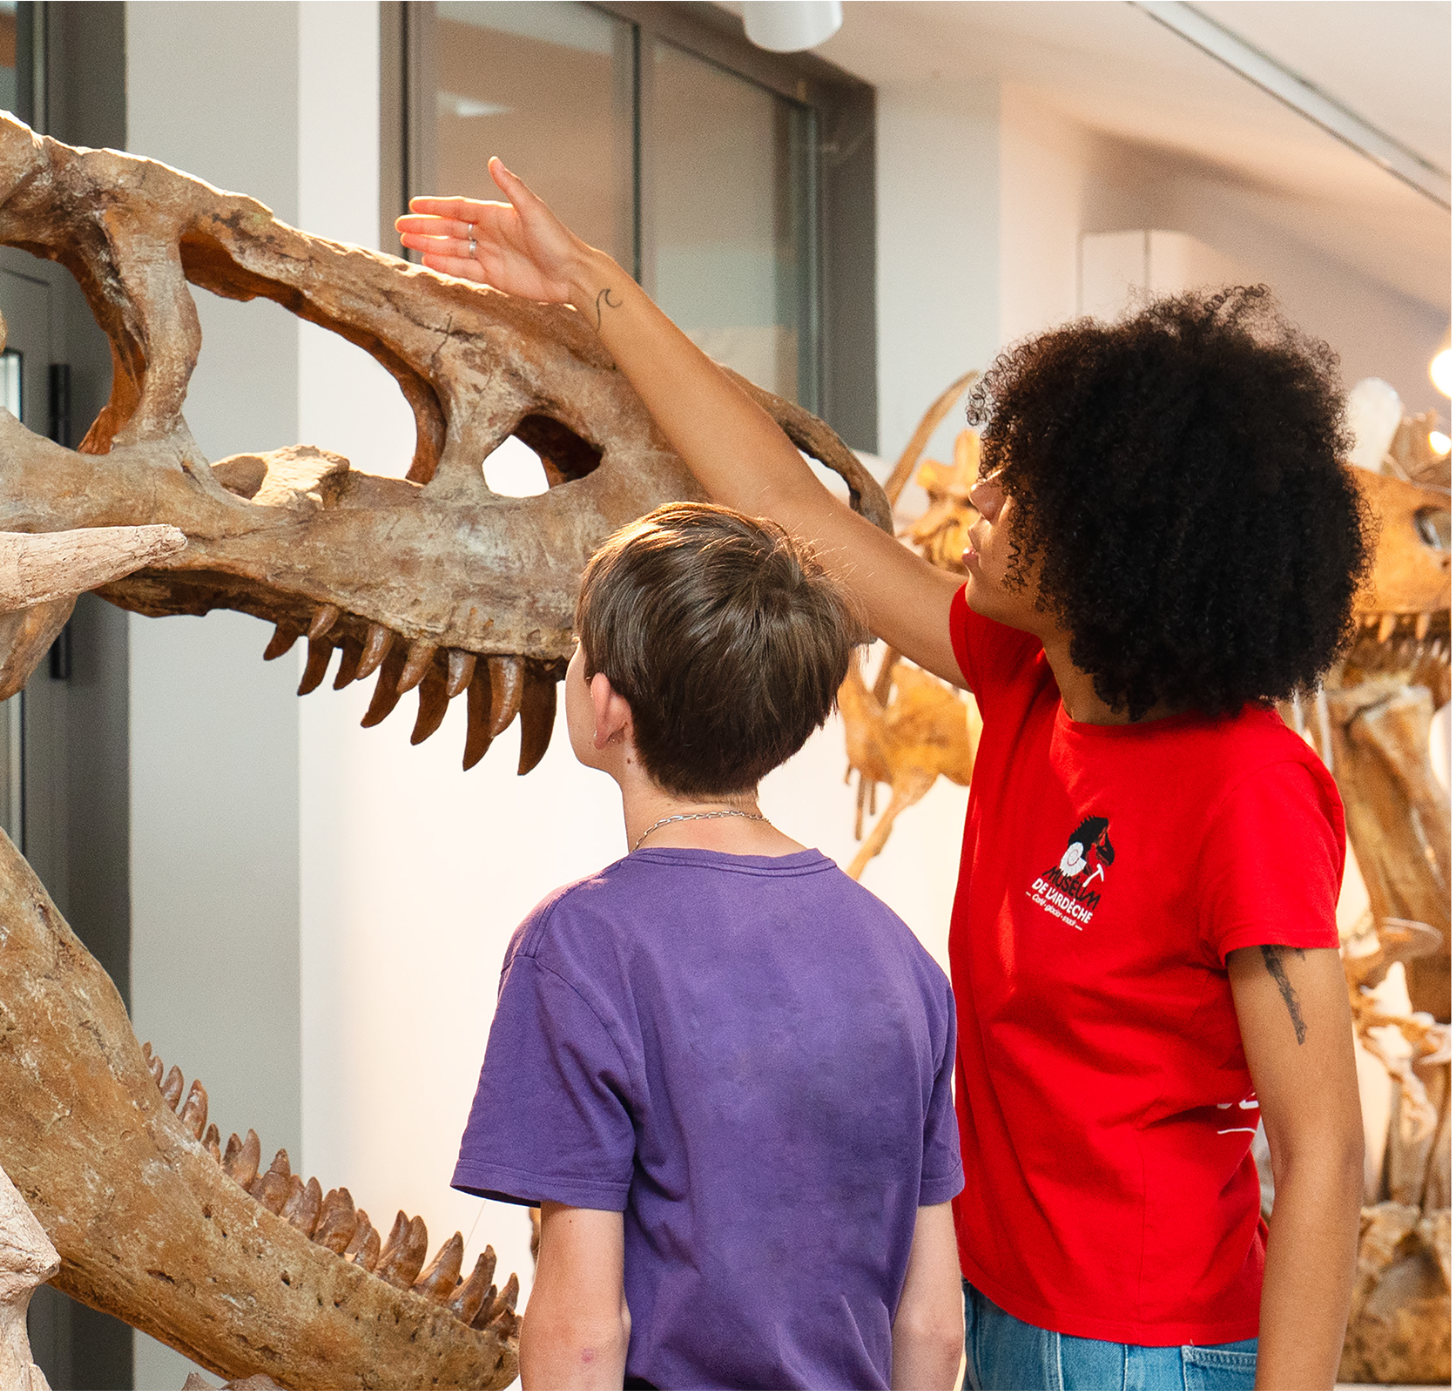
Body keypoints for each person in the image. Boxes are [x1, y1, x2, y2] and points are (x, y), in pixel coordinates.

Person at [405, 161, 1365, 1391]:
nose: (980, 494)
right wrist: (590, 287)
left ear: (1121, 536)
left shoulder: (1246, 782)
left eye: (1023, 488)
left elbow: (1323, 1147)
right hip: (1001, 1312)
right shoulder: (1027, 683)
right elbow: (781, 510)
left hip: (1142, 1349)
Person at [451, 501, 968, 1391]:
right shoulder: (900, 958)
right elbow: (929, 1322)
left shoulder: (577, 949)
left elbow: (582, 1330)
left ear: (606, 703)